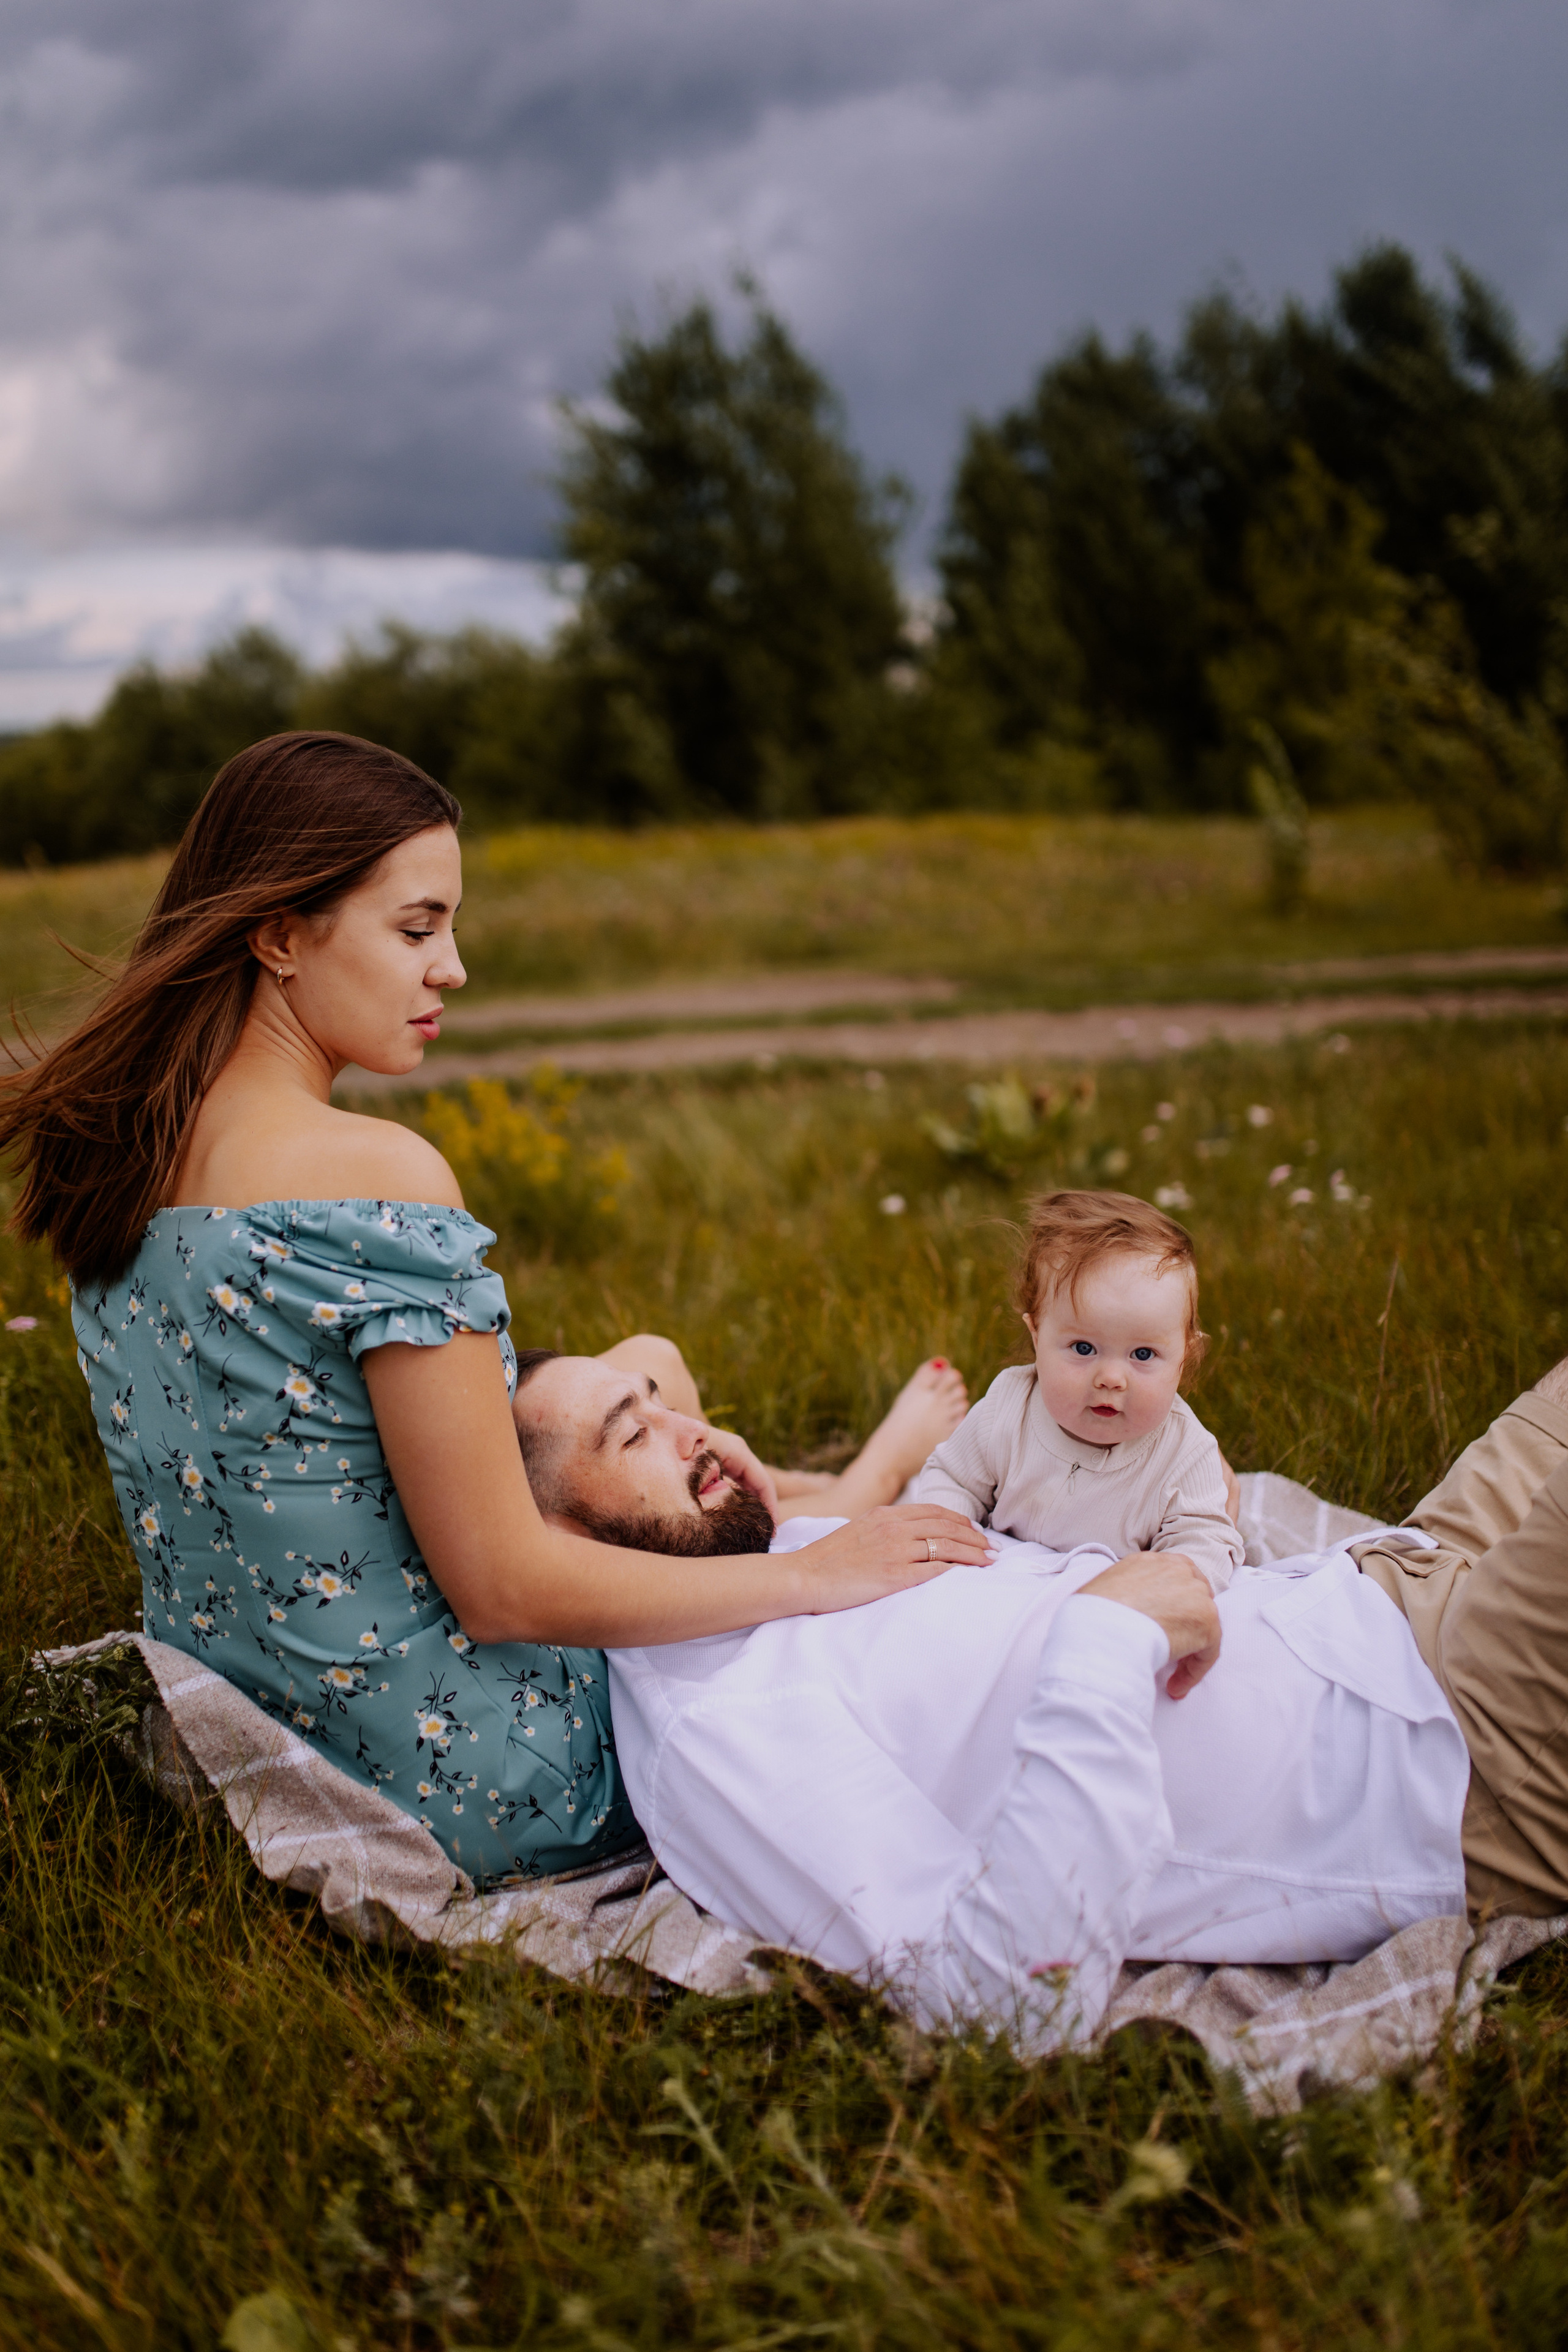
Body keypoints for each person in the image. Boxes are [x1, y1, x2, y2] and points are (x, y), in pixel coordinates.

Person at [0, 730, 988, 1887]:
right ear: (276, 934)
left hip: (262, 1728)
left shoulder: (121, 1159)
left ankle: (830, 1492)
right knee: (747, 1532)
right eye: (417, 928)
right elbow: (505, 1586)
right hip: (476, 1772)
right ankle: (838, 1512)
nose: (452, 967)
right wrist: (815, 1583)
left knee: (637, 1370)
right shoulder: (374, 1177)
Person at [511, 1344, 1568, 2052]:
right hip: (1450, 1746)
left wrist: (668, 1423)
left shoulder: (754, 1558)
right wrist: (1108, 1640)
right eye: (633, 1435)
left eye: (675, 1414)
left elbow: (641, 1357)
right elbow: (1002, 2000)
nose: (689, 1431)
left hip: (1391, 1584)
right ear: (555, 1542)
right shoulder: (717, 1730)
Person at [914, 1191, 1242, 1593]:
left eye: (1143, 1354)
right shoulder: (1009, 1408)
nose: (1111, 1378)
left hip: (1110, 1605)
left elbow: (1206, 1541)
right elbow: (953, 1479)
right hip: (998, 1591)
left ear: (1183, 1358)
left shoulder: (1184, 1453)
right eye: (1084, 1349)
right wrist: (949, 1538)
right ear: (1037, 1335)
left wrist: (1175, 1584)